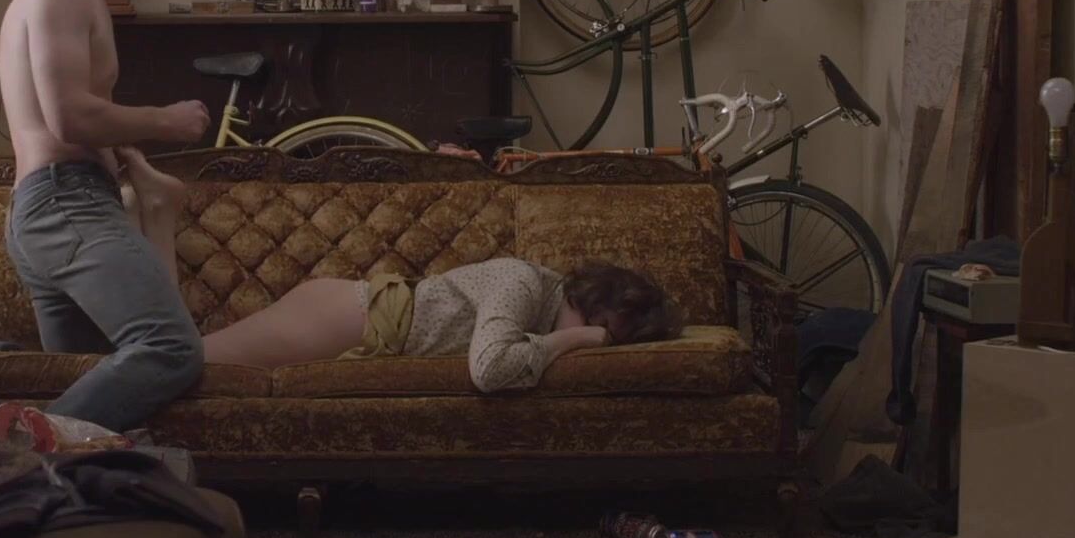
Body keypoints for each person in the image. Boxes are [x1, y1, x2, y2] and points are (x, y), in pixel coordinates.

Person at [117, 153, 683, 393]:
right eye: (602, 331)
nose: (594, 345)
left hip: (362, 319)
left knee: (180, 355)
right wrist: (574, 340)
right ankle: (159, 214)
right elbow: (489, 370)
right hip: (355, 317)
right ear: (589, 301)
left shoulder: (539, 306)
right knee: (180, 362)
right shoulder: (524, 281)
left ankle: (158, 219)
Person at [0, 0, 212, 432]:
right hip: (66, 203)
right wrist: (165, 121)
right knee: (172, 348)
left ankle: (33, 471)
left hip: (57, 206)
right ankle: (8, 456)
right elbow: (67, 116)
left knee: (95, 409)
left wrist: (123, 158)